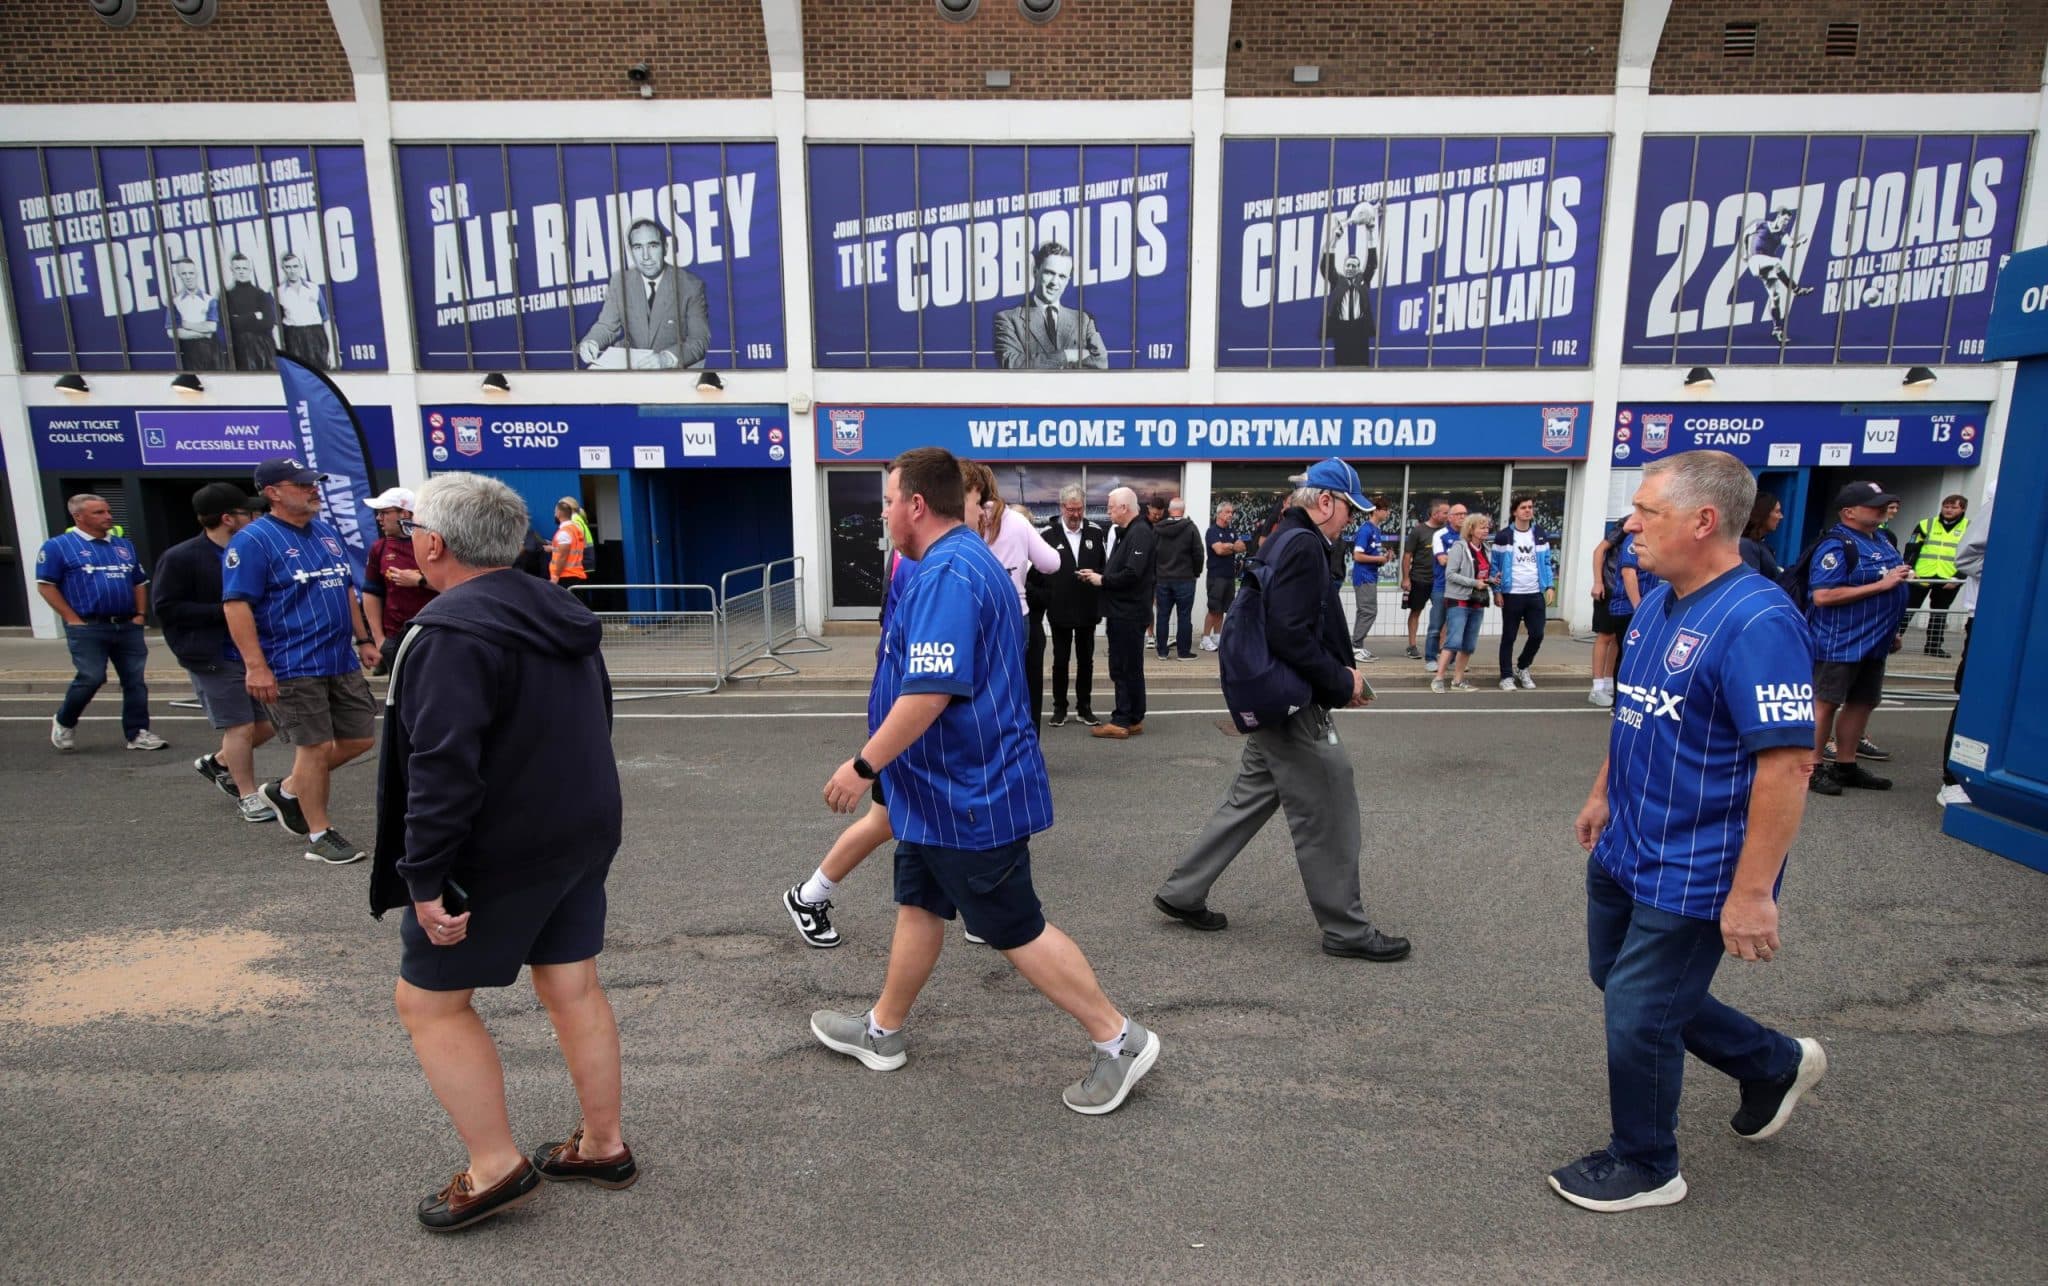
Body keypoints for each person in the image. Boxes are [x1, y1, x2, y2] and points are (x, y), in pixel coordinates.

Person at [811, 447, 1161, 1116]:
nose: (882, 513)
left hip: (968, 795)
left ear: (916, 504)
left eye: (888, 501)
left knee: (1014, 927)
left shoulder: (948, 572)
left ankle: (1118, 1039)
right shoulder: (953, 561)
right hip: (934, 794)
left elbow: (930, 694)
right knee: (919, 903)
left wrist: (863, 766)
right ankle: (882, 1032)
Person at [1554, 449, 1826, 1213]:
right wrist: (1603, 794)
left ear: (1705, 521)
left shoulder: (1759, 620)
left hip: (1698, 863)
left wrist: (1753, 893)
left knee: (1639, 1013)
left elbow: (1786, 767)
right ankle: (1771, 1062)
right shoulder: (1658, 599)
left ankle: (1646, 1164)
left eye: (1649, 512)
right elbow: (1634, 711)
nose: (1630, 525)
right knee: (1621, 983)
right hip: (1627, 843)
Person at [370, 473, 633, 1232]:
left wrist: (423, 875)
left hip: (498, 848)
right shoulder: (559, 608)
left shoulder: (449, 629)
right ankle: (602, 1143)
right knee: (572, 984)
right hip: (579, 830)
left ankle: (495, 1166)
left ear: (432, 543)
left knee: (430, 1001)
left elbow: (441, 765)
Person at [1155, 458, 1409, 963]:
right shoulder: (1304, 545)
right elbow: (1291, 633)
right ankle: (1346, 928)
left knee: (1248, 798)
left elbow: (1290, 624)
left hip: (1274, 694)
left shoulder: (1286, 537)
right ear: (1325, 502)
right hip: (1293, 701)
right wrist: (1341, 679)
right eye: (1348, 511)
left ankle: (1184, 891)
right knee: (1332, 809)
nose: (1350, 522)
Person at [224, 456, 382, 866]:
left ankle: (288, 790)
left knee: (359, 739)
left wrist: (363, 637)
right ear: (273, 492)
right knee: (314, 748)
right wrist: (255, 665)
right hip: (291, 663)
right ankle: (320, 834)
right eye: (303, 485)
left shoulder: (325, 533)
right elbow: (237, 606)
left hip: (338, 659)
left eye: (315, 483)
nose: (315, 490)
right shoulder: (253, 541)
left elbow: (344, 589)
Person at [784, 547, 921, 947]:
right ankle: (809, 895)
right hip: (907, 708)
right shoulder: (918, 558)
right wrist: (870, 758)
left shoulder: (939, 553)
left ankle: (809, 895)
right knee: (893, 821)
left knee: (894, 821)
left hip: (908, 707)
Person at [151, 482, 276, 821]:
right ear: (228, 518)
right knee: (240, 726)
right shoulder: (181, 557)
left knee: (269, 723)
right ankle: (249, 796)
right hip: (211, 654)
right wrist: (227, 610)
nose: (257, 517)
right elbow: (166, 608)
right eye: (249, 512)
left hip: (253, 651)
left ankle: (217, 763)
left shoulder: (251, 551)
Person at [1805, 481, 1911, 797]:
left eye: (1883, 503)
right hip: (1840, 641)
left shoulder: (1881, 540)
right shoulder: (1837, 545)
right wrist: (1882, 586)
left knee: (1862, 702)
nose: (1881, 508)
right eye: (1872, 504)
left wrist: (1892, 631)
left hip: (1875, 642)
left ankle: (1846, 764)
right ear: (1849, 512)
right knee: (1826, 702)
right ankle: (1811, 766)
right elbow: (1823, 595)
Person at [38, 493, 165, 753]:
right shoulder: (58, 546)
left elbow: (138, 581)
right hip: (88, 625)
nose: (108, 516)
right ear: (78, 516)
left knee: (135, 680)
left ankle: (137, 732)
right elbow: (46, 586)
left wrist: (140, 614)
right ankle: (65, 720)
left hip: (126, 624)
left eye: (107, 511)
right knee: (91, 677)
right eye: (98, 512)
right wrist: (72, 619)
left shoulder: (123, 546)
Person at [962, 461, 1060, 722]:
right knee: (1017, 687)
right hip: (1017, 614)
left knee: (981, 687)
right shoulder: (1016, 520)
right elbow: (1051, 563)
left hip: (973, 613)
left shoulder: (964, 519)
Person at [578, 217, 710, 370]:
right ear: (631, 251)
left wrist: (667, 359)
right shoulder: (620, 281)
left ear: (665, 248)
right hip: (634, 369)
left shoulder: (690, 285)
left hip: (676, 371)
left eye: (653, 246)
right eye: (638, 247)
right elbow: (607, 326)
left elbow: (699, 340)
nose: (646, 256)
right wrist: (591, 342)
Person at [1081, 486, 1154, 738]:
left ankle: (1121, 719)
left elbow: (1133, 573)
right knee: (1129, 666)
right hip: (1123, 611)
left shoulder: (1140, 533)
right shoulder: (1129, 532)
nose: (1108, 511)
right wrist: (1101, 576)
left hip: (1128, 613)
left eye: (1111, 506)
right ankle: (1133, 716)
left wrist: (1103, 581)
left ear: (1124, 507)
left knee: (1123, 667)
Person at [1939, 485, 1992, 808]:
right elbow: (1969, 554)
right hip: (1991, 618)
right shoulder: (2009, 494)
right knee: (1975, 694)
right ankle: (1954, 777)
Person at [1037, 485, 1106, 727]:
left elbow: (1104, 567)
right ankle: (1059, 707)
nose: (1076, 514)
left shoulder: (1096, 532)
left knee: (1086, 660)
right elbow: (1038, 571)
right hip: (1059, 608)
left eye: (1079, 509)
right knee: (1060, 660)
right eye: (1071, 509)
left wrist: (1096, 576)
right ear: (1061, 507)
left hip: (1088, 608)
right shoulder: (1048, 534)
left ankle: (1084, 707)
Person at [993, 241, 1109, 370]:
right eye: (1049, 273)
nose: (1055, 282)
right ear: (1035, 271)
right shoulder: (1008, 319)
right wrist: (1067, 355)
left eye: (1062, 276)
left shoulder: (1083, 320)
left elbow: (1100, 363)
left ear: (1067, 281)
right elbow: (1012, 364)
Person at [363, 487, 435, 676]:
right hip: (395, 638)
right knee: (401, 697)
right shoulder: (379, 548)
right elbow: (371, 593)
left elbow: (458, 585)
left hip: (434, 634)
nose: (379, 518)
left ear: (404, 513)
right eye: (378, 513)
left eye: (384, 512)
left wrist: (420, 580)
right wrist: (379, 639)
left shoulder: (434, 541)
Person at [1492, 495, 1554, 690]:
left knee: (1537, 634)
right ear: (1515, 512)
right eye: (1523, 507)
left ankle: (1522, 667)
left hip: (1535, 592)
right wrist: (1497, 590)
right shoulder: (1504, 536)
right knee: (1509, 636)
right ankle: (1506, 676)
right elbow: (1495, 566)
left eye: (1530, 507)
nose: (1528, 510)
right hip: (1512, 593)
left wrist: (1550, 586)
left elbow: (1546, 562)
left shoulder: (1540, 534)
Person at [1432, 512, 1493, 693]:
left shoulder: (1486, 549)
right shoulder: (1459, 547)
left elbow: (1484, 572)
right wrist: (1475, 582)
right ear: (1471, 529)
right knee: (1454, 641)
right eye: (1482, 527)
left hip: (1477, 601)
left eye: (1487, 527)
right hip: (1459, 600)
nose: (1485, 530)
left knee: (1469, 644)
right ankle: (1438, 678)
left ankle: (1458, 681)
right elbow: (1450, 574)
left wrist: (1492, 580)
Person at [1903, 494, 1968, 658]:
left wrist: (1958, 577)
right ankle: (1892, 641)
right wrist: (1909, 569)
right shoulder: (1926, 524)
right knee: (1907, 609)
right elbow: (1912, 547)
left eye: (1953, 507)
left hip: (1949, 577)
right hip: (1921, 575)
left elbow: (1971, 555)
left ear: (1963, 509)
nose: (1948, 510)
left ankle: (1933, 647)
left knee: (1940, 613)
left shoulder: (1969, 528)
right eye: (1946, 506)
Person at [1320, 207, 1380, 367]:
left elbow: (1373, 263)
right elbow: (1325, 266)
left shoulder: (1363, 281)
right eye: (1348, 265)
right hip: (1342, 331)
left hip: (1360, 331)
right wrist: (1335, 239)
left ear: (1358, 269)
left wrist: (1370, 233)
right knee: (1341, 367)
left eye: (1354, 266)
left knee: (1362, 367)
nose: (1350, 268)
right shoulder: (1337, 281)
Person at [1743, 207, 1812, 344]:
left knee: (1775, 297)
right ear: (1779, 217)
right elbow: (1746, 234)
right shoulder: (1761, 224)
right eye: (1785, 219)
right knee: (1777, 262)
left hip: (1768, 266)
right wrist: (1745, 253)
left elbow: (1791, 243)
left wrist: (1800, 241)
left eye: (1788, 221)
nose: (1786, 222)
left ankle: (1777, 329)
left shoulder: (1781, 234)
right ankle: (1796, 289)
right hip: (1756, 261)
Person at [1151, 497, 1203, 661]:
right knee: (1184, 616)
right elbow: (1198, 553)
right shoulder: (1191, 528)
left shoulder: (1158, 529)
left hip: (1162, 578)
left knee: (1162, 615)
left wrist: (1155, 574)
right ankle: (1183, 652)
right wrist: (1196, 572)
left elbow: (1151, 554)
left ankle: (1162, 651)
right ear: (1184, 509)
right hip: (1185, 578)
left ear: (1169, 510)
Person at [1587, 517, 1629, 707]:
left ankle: (1609, 683)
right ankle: (1597, 687)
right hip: (1611, 585)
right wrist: (1598, 581)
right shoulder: (1627, 524)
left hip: (1627, 590)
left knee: (1617, 638)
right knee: (1605, 635)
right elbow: (1599, 550)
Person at [1399, 499, 1448, 660]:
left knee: (1443, 614)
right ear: (1435, 514)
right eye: (1445, 513)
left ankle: (1441, 648)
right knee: (1415, 612)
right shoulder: (1418, 531)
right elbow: (1407, 556)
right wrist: (1406, 578)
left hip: (1440, 581)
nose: (1448, 516)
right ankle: (1412, 646)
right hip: (1419, 579)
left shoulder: (1447, 532)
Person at [1423, 502, 1468, 669]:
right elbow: (1442, 560)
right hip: (1442, 586)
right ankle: (1430, 658)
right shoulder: (1440, 535)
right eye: (1458, 514)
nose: (1462, 517)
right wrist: (1463, 562)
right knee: (1436, 625)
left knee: (1456, 626)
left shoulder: (1467, 535)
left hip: (1461, 587)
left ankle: (1450, 659)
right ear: (1450, 517)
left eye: (1464, 514)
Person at [275, 253, 335, 370]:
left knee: (322, 374)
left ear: (301, 267)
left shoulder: (314, 288)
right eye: (288, 267)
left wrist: (332, 351)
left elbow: (327, 321)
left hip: (316, 336)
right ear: (283, 269)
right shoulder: (279, 292)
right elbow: (276, 325)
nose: (292, 270)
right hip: (294, 338)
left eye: (295, 266)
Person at [220, 252, 279, 370]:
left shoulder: (261, 294)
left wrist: (240, 319)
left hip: (265, 348)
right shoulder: (226, 296)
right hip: (240, 350)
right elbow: (229, 324)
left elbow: (269, 323)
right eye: (237, 268)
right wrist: (253, 316)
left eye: (244, 268)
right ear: (232, 270)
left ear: (250, 270)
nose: (241, 271)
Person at [1348, 497, 1391, 661]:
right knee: (1368, 611)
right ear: (1376, 510)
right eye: (1385, 510)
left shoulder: (1376, 530)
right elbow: (1357, 556)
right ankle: (1356, 647)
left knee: (1365, 611)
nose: (1387, 513)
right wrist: (1378, 560)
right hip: (1364, 577)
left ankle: (1357, 646)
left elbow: (1371, 555)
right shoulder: (1366, 530)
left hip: (1370, 575)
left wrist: (1383, 558)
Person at [1201, 500, 1245, 652]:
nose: (1230, 515)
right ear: (1219, 514)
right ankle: (1205, 638)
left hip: (1229, 576)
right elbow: (1219, 550)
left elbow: (1242, 547)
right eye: (1227, 512)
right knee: (1214, 608)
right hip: (1216, 575)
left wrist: (1228, 546)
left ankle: (1217, 636)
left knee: (1223, 609)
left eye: (1231, 512)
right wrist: (1232, 546)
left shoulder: (1232, 531)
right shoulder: (1212, 531)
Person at [163, 258, 221, 370]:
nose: (188, 277)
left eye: (191, 273)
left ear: (196, 273)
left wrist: (185, 324)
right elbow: (171, 332)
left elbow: (212, 327)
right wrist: (203, 333)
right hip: (189, 352)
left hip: (212, 351)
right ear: (179, 275)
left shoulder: (210, 299)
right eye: (184, 274)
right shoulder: (174, 302)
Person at [1738, 493, 1784, 581]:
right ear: (1763, 513)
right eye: (1777, 511)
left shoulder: (1759, 544)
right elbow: (1750, 582)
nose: (1781, 516)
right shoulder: (1746, 545)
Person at [549, 499, 590, 585]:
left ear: (559, 513)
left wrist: (555, 576)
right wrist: (552, 548)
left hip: (565, 576)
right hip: (576, 574)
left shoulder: (564, 532)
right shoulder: (576, 529)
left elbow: (562, 556)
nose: (554, 515)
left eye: (555, 512)